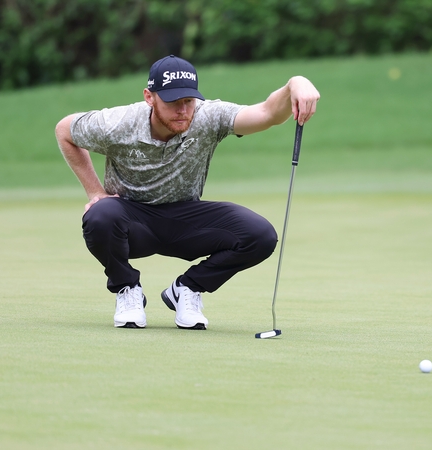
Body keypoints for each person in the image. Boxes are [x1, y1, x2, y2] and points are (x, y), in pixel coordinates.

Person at [55, 55, 320, 330]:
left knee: (260, 235)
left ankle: (187, 288)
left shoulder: (208, 116)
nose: (183, 110)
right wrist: (95, 192)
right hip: (131, 219)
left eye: (188, 101)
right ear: (149, 97)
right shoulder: (118, 122)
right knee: (100, 214)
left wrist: (294, 84)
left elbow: (267, 114)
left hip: (186, 219)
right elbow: (65, 130)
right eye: (172, 102)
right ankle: (127, 288)